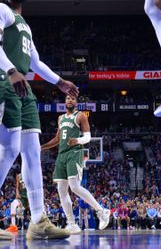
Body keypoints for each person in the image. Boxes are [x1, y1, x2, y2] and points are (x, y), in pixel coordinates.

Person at [0, 0, 79, 240]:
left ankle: (38, 220)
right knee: (8, 149)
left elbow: (36, 63)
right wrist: (12, 70)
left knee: (32, 152)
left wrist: (59, 81)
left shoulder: (24, 25)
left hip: (21, 84)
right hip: (0, 77)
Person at [41, 94, 111, 233]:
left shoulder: (81, 116)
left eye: (73, 99)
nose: (70, 100)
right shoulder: (61, 118)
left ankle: (101, 211)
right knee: (61, 190)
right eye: (67, 98)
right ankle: (71, 223)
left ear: (76, 102)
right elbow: (57, 139)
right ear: (65, 101)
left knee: (74, 187)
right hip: (62, 154)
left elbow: (88, 137)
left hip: (75, 152)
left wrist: (77, 141)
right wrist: (41, 147)